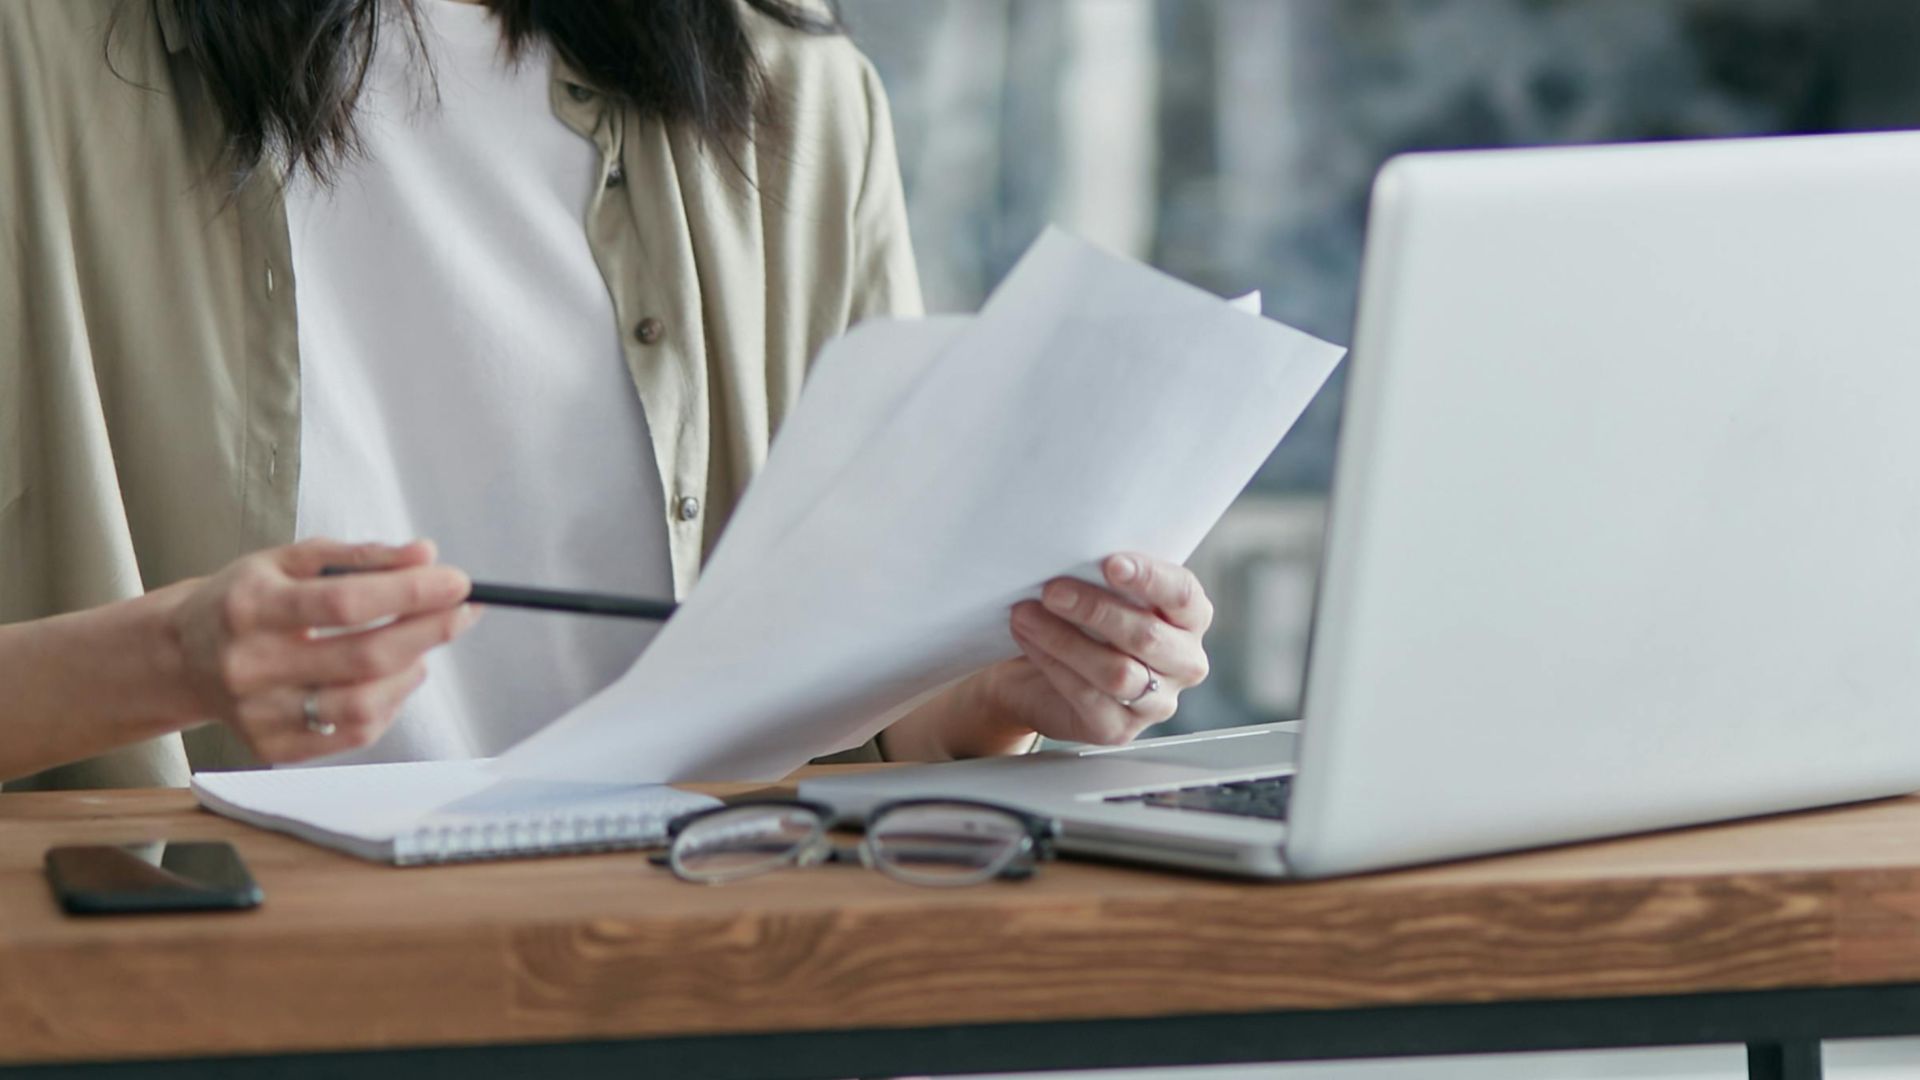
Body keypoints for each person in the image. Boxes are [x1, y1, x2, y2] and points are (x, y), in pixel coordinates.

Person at [0, 0, 1214, 790]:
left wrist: (1004, 689)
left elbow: (881, 720)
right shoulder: (35, 63)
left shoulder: (797, 95)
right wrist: (168, 659)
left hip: (675, 988)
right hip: (192, 1007)